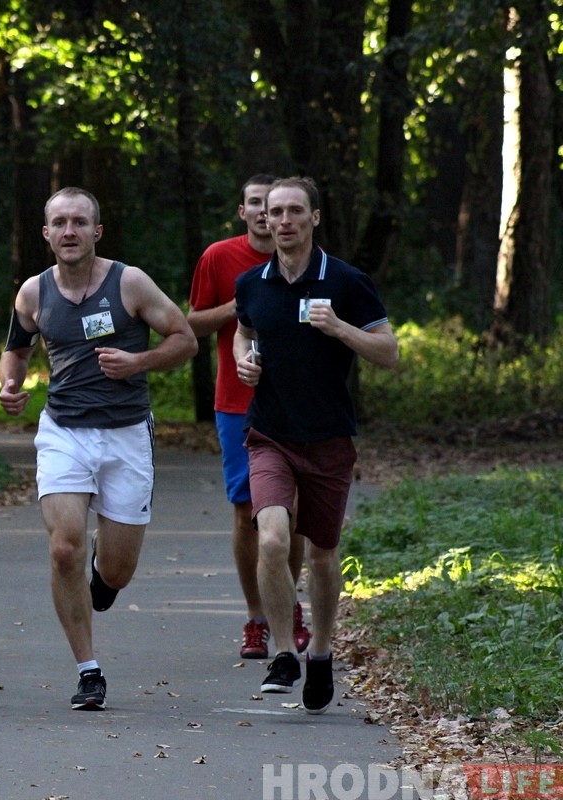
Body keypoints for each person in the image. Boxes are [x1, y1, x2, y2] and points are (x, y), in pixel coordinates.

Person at [0, 187, 198, 711]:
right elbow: (15, 350)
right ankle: (88, 670)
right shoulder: (32, 293)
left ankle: (101, 578)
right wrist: (9, 385)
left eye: (79, 222)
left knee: (116, 572)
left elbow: (184, 338)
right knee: (63, 545)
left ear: (96, 231)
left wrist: (137, 363)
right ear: (46, 234)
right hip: (64, 431)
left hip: (127, 433)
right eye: (59, 223)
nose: (69, 231)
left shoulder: (128, 282)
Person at [233, 176, 398, 713]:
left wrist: (341, 329)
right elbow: (244, 329)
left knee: (323, 557)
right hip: (269, 435)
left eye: (293, 211)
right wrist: (244, 358)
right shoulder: (252, 283)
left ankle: (321, 653)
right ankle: (285, 652)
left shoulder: (347, 281)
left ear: (314, 218)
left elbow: (388, 352)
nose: (281, 220)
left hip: (328, 439)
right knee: (273, 539)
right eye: (273, 211)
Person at [187, 174, 310, 660]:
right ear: (243, 212)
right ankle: (257, 616)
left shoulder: (300, 257)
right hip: (236, 402)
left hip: (295, 404)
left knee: (292, 513)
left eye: (274, 205)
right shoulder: (220, 257)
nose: (266, 213)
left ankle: (290, 607)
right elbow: (191, 323)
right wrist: (238, 308)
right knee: (246, 513)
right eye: (256, 204)